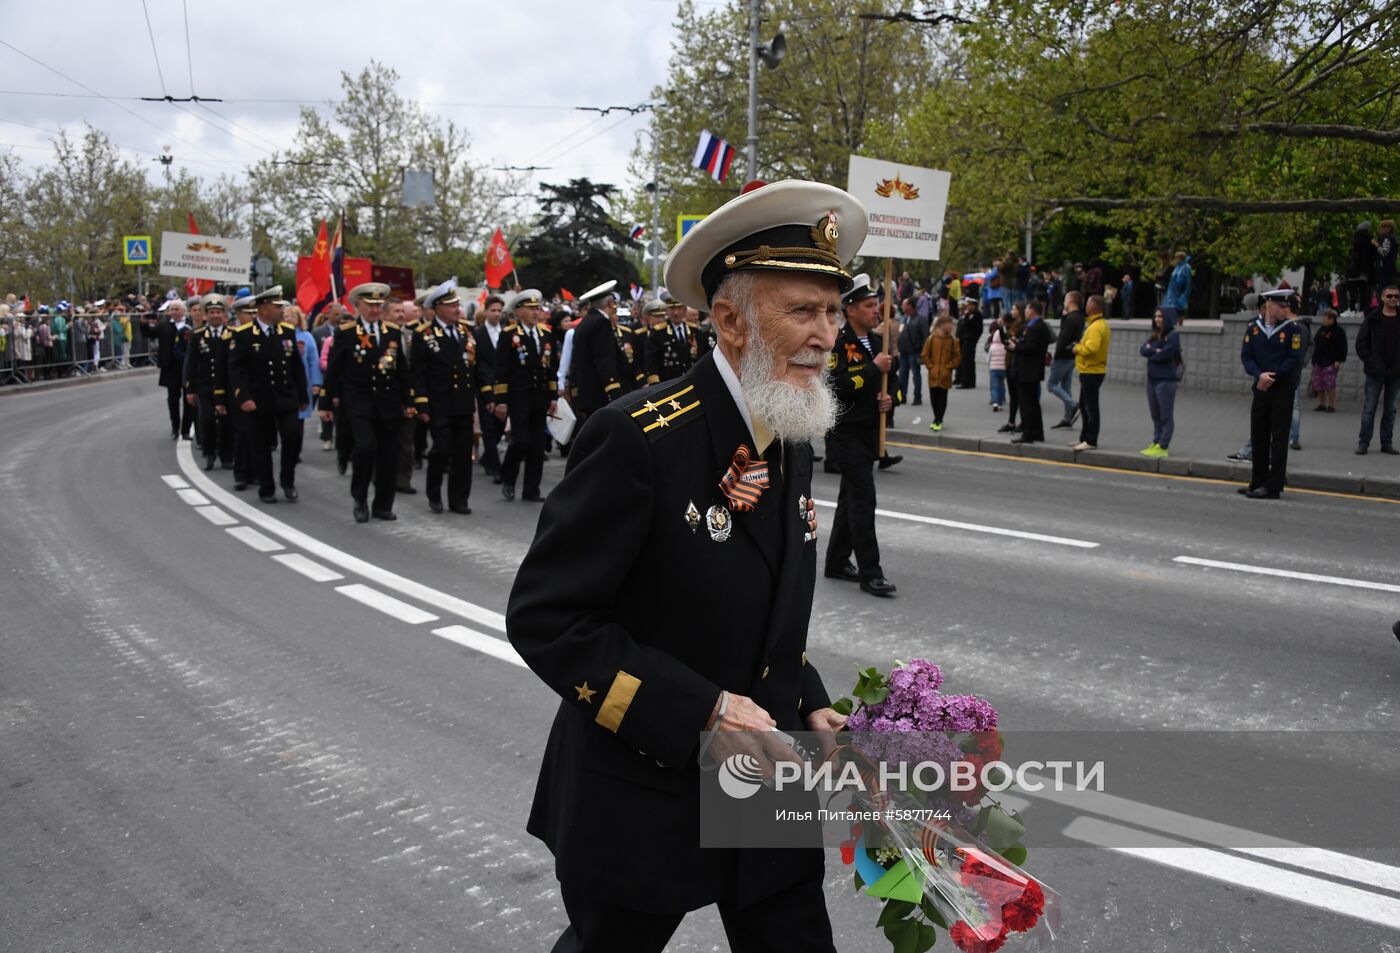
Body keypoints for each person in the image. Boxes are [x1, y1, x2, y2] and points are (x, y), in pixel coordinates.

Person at [506, 181, 854, 953]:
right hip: (644, 781)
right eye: (803, 310)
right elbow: (547, 617)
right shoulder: (637, 437)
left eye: (833, 311)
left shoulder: (788, 423)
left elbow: (763, 602)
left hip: (765, 773)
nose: (827, 333)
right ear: (730, 320)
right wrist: (701, 711)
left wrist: (812, 702)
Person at [825, 274, 899, 598]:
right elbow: (834, 388)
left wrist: (887, 399)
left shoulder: (876, 343)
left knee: (849, 498)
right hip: (845, 434)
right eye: (869, 306)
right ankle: (872, 573)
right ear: (851, 309)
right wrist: (873, 370)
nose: (876, 311)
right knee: (863, 499)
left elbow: (882, 385)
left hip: (868, 432)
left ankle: (837, 561)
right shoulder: (837, 344)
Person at [319, 282, 415, 523]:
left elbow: (401, 371)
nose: (374, 309)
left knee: (387, 456)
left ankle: (383, 504)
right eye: (369, 305)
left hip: (389, 404)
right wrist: (325, 404)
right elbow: (334, 371)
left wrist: (409, 401)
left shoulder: (392, 331)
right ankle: (360, 499)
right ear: (358, 305)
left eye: (378, 305)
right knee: (364, 448)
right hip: (359, 403)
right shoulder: (346, 332)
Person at [224, 288, 309, 504]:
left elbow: (296, 367)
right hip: (258, 399)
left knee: (292, 437)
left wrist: (303, 396)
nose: (281, 310)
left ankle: (287, 480)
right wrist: (243, 397)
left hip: (285, 397)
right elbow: (237, 371)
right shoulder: (243, 335)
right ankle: (266, 487)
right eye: (277, 306)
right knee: (260, 445)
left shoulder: (287, 332)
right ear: (263, 309)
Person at [413, 278, 481, 514]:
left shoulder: (467, 331)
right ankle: (434, 494)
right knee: (441, 450)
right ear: (438, 308)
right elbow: (418, 373)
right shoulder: (424, 335)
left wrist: (484, 397)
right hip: (438, 404)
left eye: (457, 305)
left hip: (463, 403)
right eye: (451, 305)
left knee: (463, 453)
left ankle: (459, 499)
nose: (457, 309)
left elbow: (475, 368)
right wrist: (421, 405)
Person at [493, 289, 559, 503]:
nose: (535, 312)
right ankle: (508, 478)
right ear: (519, 311)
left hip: (539, 398)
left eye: (537, 308)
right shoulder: (509, 334)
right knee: (521, 441)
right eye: (530, 309)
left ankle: (531, 489)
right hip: (518, 397)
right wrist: (501, 400)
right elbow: (501, 369)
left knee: (537, 446)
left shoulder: (545, 334)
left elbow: (550, 369)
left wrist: (553, 396)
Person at [1239, 289, 1304, 498]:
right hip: (1260, 389)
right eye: (1282, 306)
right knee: (1259, 436)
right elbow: (1247, 357)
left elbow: (1294, 359)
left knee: (1279, 438)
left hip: (1281, 391)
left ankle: (1273, 486)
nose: (1287, 310)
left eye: (1287, 306)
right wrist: (1259, 375)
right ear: (1269, 306)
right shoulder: (1253, 328)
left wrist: (1270, 377)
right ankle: (1257, 480)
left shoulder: (1294, 330)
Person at [183, 293, 235, 470]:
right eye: (211, 312)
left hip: (227, 387)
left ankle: (227, 455)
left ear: (224, 315)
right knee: (207, 420)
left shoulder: (232, 334)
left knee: (227, 421)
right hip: (205, 386)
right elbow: (191, 363)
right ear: (206, 315)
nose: (215, 316)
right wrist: (190, 388)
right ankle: (210, 453)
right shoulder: (198, 336)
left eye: (218, 312)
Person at [1354, 283, 1400, 455]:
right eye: (1390, 296)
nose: (1393, 299)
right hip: (1375, 372)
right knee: (1369, 408)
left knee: (1391, 409)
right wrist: (1373, 362)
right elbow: (1361, 344)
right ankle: (1363, 442)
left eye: (1396, 296)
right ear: (1382, 298)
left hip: (1395, 373)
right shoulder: (1373, 318)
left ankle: (1386, 442)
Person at [141, 299, 196, 440]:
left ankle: (186, 429)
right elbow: (150, 333)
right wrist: (144, 323)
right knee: (172, 398)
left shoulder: (191, 325)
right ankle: (175, 427)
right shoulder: (164, 325)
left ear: (184, 311)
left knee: (189, 399)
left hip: (187, 367)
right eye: (172, 309)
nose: (173, 312)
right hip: (170, 367)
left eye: (176, 309)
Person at [1138, 308, 1181, 458]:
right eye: (1155, 316)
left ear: (1167, 318)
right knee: (1155, 415)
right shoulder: (1155, 335)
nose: (1157, 319)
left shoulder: (1173, 336)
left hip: (1166, 381)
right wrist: (1155, 350)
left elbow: (1165, 354)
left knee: (1165, 415)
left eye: (1160, 316)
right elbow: (1143, 350)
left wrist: (1153, 352)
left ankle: (1163, 446)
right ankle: (1156, 441)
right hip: (1152, 380)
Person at [1007, 300, 1050, 444]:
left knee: (1027, 404)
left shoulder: (1037, 327)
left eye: (1026, 309)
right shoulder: (1031, 326)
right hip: (1027, 370)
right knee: (1032, 403)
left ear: (1032, 311)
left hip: (1029, 370)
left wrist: (1016, 347)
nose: (1025, 312)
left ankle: (1028, 433)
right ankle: (1037, 432)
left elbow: (1031, 348)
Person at [1070, 295, 1110, 450]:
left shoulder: (1096, 326)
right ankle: (1084, 437)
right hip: (1089, 369)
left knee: (1090, 407)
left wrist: (1077, 348)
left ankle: (1091, 440)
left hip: (1092, 370)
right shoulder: (1096, 324)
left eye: (1087, 303)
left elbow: (1092, 348)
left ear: (1094, 306)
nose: (1085, 306)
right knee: (1084, 405)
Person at [473, 294, 506, 481]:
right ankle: (495, 465)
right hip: (485, 386)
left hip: (502, 387)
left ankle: (487, 458)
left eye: (499, 311)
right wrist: (485, 392)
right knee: (488, 428)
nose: (496, 314)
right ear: (485, 311)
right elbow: (479, 365)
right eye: (493, 310)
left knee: (500, 425)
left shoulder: (507, 332)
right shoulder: (478, 334)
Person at [643, 295, 701, 385]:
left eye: (679, 308)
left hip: (692, 382)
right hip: (668, 384)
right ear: (667, 310)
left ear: (685, 310)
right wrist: (655, 386)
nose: (676, 313)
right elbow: (651, 362)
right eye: (672, 309)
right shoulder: (658, 332)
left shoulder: (695, 330)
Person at [1048, 290, 1085, 429]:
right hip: (1072, 355)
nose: (1064, 303)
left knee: (1051, 385)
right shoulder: (1079, 317)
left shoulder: (1070, 319)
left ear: (1070, 302)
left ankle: (1073, 405)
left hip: (1063, 356)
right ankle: (1067, 418)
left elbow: (1063, 337)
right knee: (1066, 386)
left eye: (1065, 300)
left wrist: (1057, 354)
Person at [920, 313, 960, 431]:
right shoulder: (931, 339)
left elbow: (957, 357)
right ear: (942, 325)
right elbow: (925, 354)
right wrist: (930, 366)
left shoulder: (953, 341)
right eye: (949, 324)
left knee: (942, 397)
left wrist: (949, 366)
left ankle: (938, 419)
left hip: (945, 375)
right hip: (933, 374)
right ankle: (936, 418)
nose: (951, 326)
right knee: (933, 397)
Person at [1310, 308, 1347, 413]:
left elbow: (1342, 347)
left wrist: (1338, 360)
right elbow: (1316, 344)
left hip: (1330, 361)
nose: (1324, 320)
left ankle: (1331, 405)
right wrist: (1313, 360)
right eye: (1324, 318)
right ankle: (1321, 404)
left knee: (1330, 384)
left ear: (1332, 319)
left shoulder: (1338, 331)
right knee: (1318, 383)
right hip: (1319, 360)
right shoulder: (1321, 330)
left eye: (1326, 318)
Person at [896, 296, 929, 405]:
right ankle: (903, 396)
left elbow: (926, 337)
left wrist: (922, 352)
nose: (902, 307)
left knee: (916, 375)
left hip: (914, 352)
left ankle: (917, 397)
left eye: (904, 305)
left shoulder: (921, 319)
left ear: (910, 306)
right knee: (902, 375)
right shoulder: (904, 318)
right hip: (903, 352)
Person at [985, 310, 1008, 412]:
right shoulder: (1005, 346)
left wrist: (988, 364)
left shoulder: (992, 346)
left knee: (994, 385)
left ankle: (995, 401)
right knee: (1001, 383)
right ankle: (1002, 398)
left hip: (993, 368)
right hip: (1003, 367)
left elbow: (988, 357)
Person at [1164, 251, 1192, 321]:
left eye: (1177, 258)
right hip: (1172, 292)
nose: (1176, 259)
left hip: (1179, 292)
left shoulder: (1186, 267)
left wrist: (1184, 293)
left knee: (1178, 308)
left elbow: (1187, 282)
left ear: (1181, 258)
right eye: (1175, 258)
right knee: (1170, 309)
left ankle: (1180, 320)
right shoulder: (1177, 267)